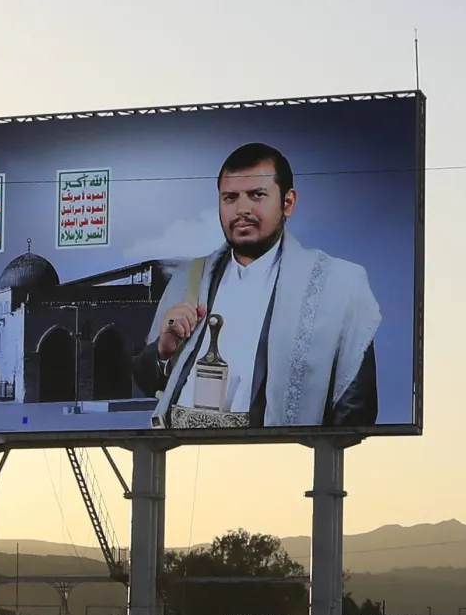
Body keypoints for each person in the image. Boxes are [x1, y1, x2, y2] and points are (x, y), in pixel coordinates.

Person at [130, 142, 383, 428]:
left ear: (287, 203)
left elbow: (356, 407)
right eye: (230, 198)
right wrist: (163, 351)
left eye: (256, 195)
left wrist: (305, 459)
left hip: (271, 461)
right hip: (181, 455)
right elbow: (146, 381)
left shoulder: (337, 284)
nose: (242, 209)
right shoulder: (189, 277)